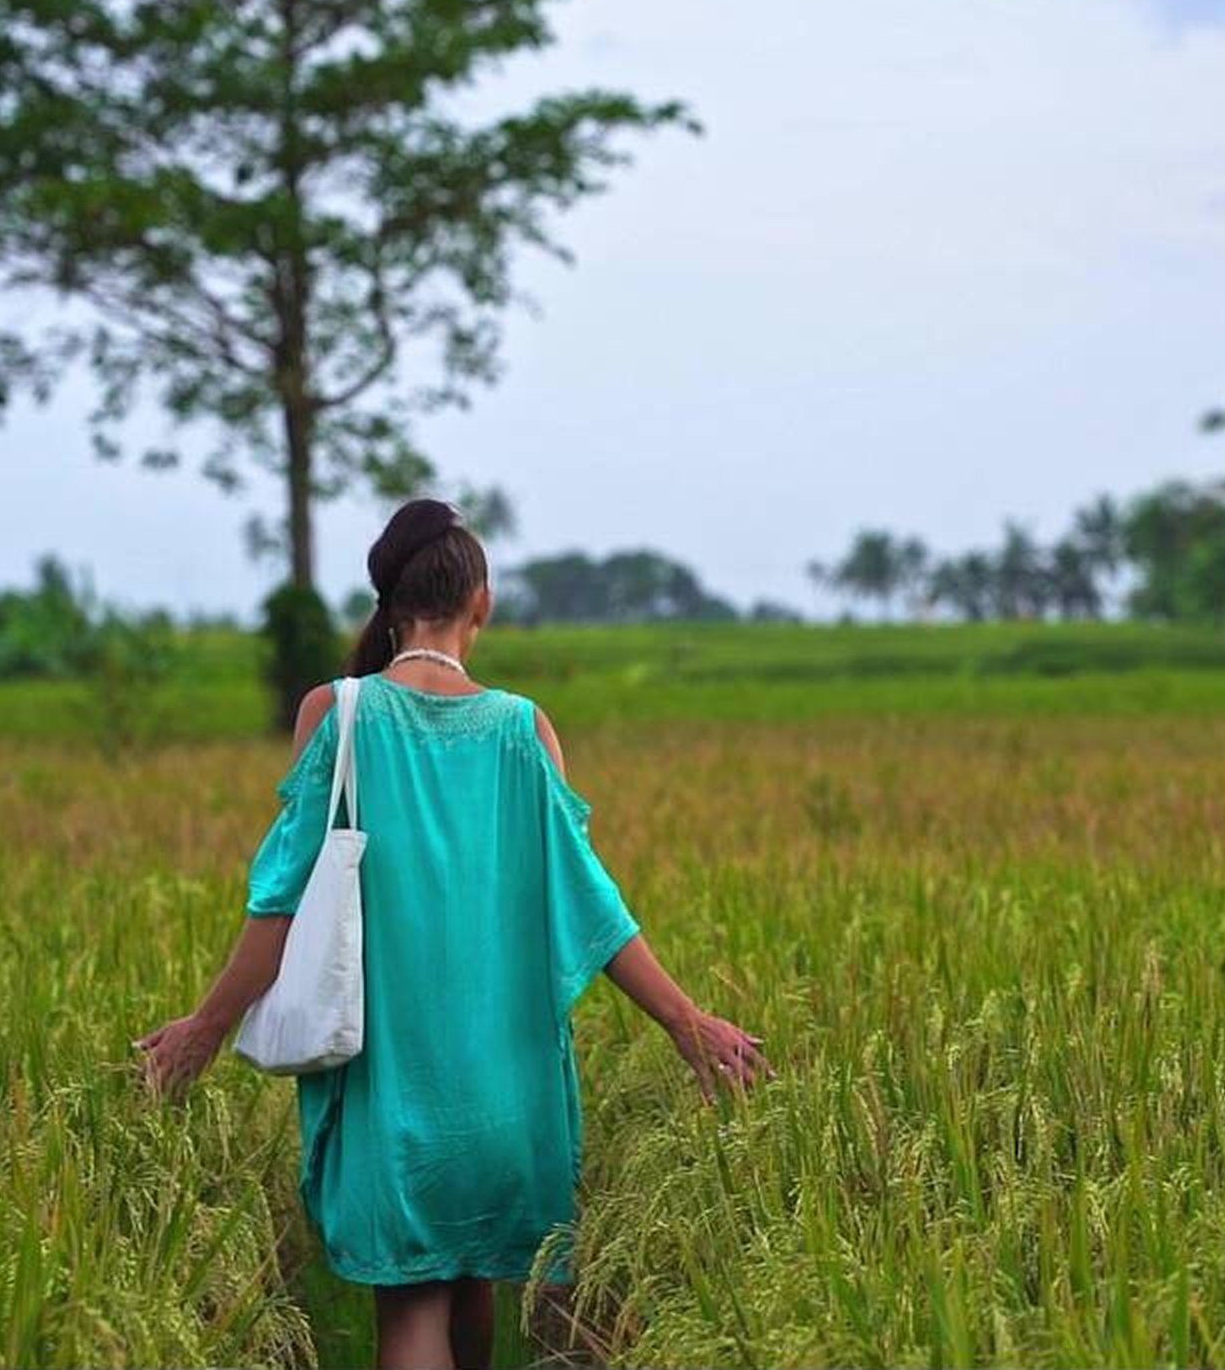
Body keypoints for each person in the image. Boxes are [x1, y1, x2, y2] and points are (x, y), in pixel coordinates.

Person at [137, 497, 766, 1370]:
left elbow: (280, 899)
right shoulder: (523, 729)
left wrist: (205, 1030)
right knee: (474, 1289)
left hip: (394, 1078)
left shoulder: (338, 715)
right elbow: (592, 903)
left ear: (392, 608)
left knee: (412, 1311)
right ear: (483, 604)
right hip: (507, 1090)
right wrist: (689, 1023)